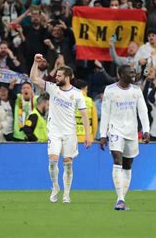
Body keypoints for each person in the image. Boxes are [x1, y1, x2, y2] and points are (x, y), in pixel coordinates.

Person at [30, 54, 92, 204]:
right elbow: (34, 79)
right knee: (52, 160)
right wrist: (35, 63)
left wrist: (88, 135)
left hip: (70, 133)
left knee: (68, 163)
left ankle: (67, 194)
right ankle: (55, 186)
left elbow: (84, 115)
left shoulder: (77, 94)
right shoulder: (52, 88)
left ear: (68, 77)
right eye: (56, 75)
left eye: (59, 76)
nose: (56, 78)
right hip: (54, 132)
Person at [99, 65, 150, 210]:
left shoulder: (136, 90)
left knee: (128, 165)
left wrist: (146, 130)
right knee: (117, 159)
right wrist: (103, 134)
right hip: (115, 130)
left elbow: (143, 111)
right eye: (130, 72)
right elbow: (106, 113)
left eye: (134, 72)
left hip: (132, 132)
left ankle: (121, 198)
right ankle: (120, 199)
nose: (133, 75)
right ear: (120, 74)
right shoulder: (110, 90)